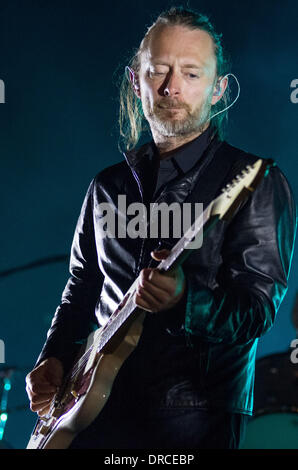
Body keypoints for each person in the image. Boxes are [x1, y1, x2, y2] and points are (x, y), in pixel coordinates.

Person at [26, 7, 296, 449]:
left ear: (218, 89)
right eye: (159, 71)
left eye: (191, 74)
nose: (172, 87)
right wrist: (53, 358)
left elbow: (257, 310)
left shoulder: (256, 180)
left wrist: (185, 300)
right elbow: (81, 287)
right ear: (137, 81)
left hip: (192, 419)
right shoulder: (106, 186)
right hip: (90, 411)